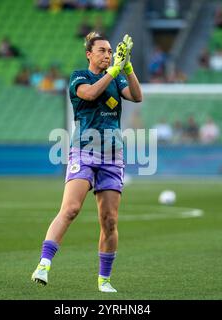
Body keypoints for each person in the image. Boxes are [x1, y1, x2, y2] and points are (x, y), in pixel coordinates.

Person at [31, 32, 142, 293]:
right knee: (70, 209)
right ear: (89, 54)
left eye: (110, 51)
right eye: (102, 51)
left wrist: (128, 68)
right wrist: (114, 71)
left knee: (109, 220)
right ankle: (44, 264)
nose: (107, 54)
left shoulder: (116, 78)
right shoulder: (79, 77)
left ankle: (104, 280)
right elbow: (90, 95)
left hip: (113, 157)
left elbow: (137, 97)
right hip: (84, 152)